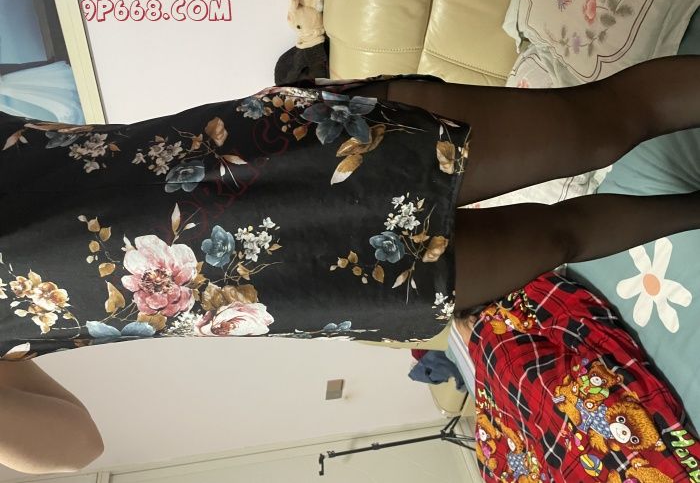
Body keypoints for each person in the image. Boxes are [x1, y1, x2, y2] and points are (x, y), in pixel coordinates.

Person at [0, 55, 698, 474]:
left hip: (293, 152)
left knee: (601, 123)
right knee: (558, 238)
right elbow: (78, 444)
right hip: (307, 286)